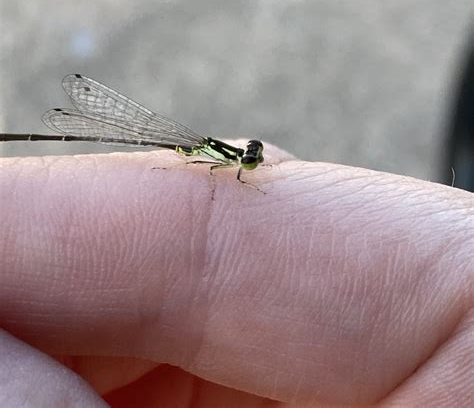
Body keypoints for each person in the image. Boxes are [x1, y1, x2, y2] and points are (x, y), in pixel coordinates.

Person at [0, 143, 472, 407]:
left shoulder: (238, 167)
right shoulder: (221, 165)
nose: (252, 162)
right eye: (248, 159)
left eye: (249, 158)